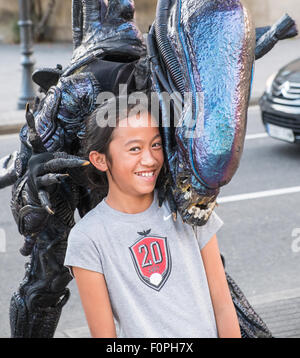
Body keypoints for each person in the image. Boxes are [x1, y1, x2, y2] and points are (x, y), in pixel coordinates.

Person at [64, 95, 241, 338]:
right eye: (134, 149)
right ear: (100, 160)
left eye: (156, 145)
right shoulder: (87, 237)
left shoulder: (190, 206)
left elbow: (222, 305)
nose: (150, 159)